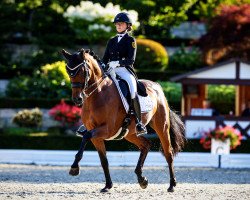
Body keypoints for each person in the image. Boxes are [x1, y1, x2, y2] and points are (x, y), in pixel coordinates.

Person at [77, 12, 147, 137]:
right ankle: (87, 121)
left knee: (132, 90)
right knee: (94, 87)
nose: (118, 26)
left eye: (121, 24)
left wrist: (118, 63)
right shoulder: (112, 41)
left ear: (127, 25)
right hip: (110, 70)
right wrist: (103, 66)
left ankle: (138, 122)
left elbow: (131, 60)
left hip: (125, 71)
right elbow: (105, 59)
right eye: (117, 24)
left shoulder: (131, 40)